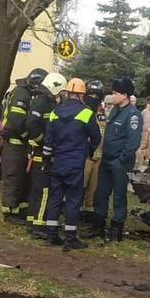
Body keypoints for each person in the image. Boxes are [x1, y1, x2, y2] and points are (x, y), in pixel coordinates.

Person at [42, 78, 102, 250]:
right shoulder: (87, 113)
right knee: (74, 200)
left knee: (55, 198)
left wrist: (46, 160)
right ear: (82, 95)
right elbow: (96, 138)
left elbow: (48, 140)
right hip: (75, 162)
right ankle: (70, 237)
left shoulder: (55, 112)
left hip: (58, 161)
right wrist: (88, 150)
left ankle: (51, 235)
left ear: (67, 93)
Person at [92, 76, 140, 242]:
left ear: (125, 95)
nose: (113, 96)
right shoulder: (114, 110)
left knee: (119, 196)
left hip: (120, 162)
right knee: (101, 194)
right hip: (107, 159)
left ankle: (116, 230)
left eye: (115, 93)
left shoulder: (133, 115)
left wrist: (121, 160)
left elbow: (133, 142)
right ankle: (98, 226)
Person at [0, 68, 47, 225]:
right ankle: (9, 212)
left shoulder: (25, 93)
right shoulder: (21, 94)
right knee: (13, 177)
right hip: (15, 144)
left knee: (22, 179)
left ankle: (20, 210)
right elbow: (16, 122)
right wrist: (29, 136)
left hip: (20, 145)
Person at [27, 73, 66, 239]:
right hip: (41, 154)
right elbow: (31, 124)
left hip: (39, 154)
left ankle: (31, 221)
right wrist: (43, 141)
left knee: (36, 190)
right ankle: (39, 226)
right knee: (44, 191)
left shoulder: (44, 102)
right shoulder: (42, 103)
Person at [81, 80, 107, 235]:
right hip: (85, 154)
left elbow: (104, 132)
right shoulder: (83, 109)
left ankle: (88, 212)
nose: (93, 97)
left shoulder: (102, 112)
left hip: (99, 155)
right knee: (80, 184)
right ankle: (75, 210)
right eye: (91, 94)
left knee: (94, 187)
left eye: (96, 95)